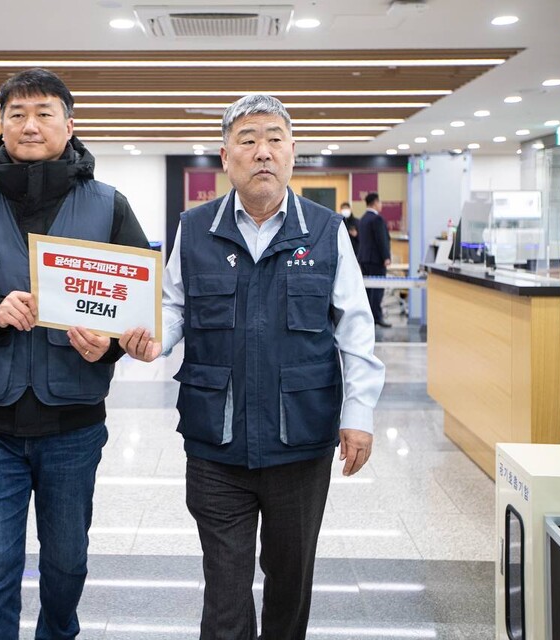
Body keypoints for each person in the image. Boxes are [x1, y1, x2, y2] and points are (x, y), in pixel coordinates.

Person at [119, 94, 385, 640]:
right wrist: (154, 342)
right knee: (225, 591)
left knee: (290, 582)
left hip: (300, 440)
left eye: (274, 139)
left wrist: (359, 415)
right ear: (225, 156)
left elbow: (355, 327)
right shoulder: (193, 230)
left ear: (292, 153)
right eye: (247, 139)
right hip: (216, 442)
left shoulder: (325, 230)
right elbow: (173, 306)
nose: (262, 151)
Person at [0, 68, 149, 640]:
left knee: (67, 568)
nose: (30, 125)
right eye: (17, 114)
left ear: (70, 123)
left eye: (43, 113)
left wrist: (108, 345)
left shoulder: (109, 206)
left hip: (74, 425)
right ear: (2, 124)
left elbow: (141, 302)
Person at [356, 192, 391, 327]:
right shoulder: (377, 219)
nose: (381, 205)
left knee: (368, 290)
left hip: (364, 259)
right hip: (376, 260)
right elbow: (381, 240)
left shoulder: (363, 219)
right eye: (380, 202)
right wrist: (386, 257)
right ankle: (376, 317)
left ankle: (368, 317)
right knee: (377, 290)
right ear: (375, 203)